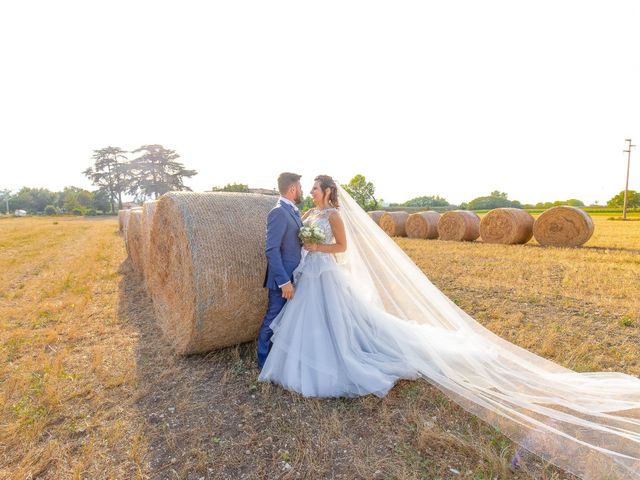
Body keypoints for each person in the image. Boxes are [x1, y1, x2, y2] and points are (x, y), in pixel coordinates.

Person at [258, 175, 640, 480]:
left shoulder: (335, 216)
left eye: (314, 187)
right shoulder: (308, 215)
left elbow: (340, 249)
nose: (309, 190)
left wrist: (316, 250)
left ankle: (344, 356)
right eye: (308, 187)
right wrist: (306, 249)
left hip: (327, 274)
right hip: (310, 278)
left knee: (346, 324)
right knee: (316, 323)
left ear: (327, 191)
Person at [256, 172, 304, 370]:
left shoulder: (292, 211)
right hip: (282, 280)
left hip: (295, 275)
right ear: (292, 189)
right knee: (273, 319)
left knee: (286, 321)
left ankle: (281, 360)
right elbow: (272, 249)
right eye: (300, 187)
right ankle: (264, 363)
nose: (302, 190)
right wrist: (284, 282)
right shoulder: (278, 212)